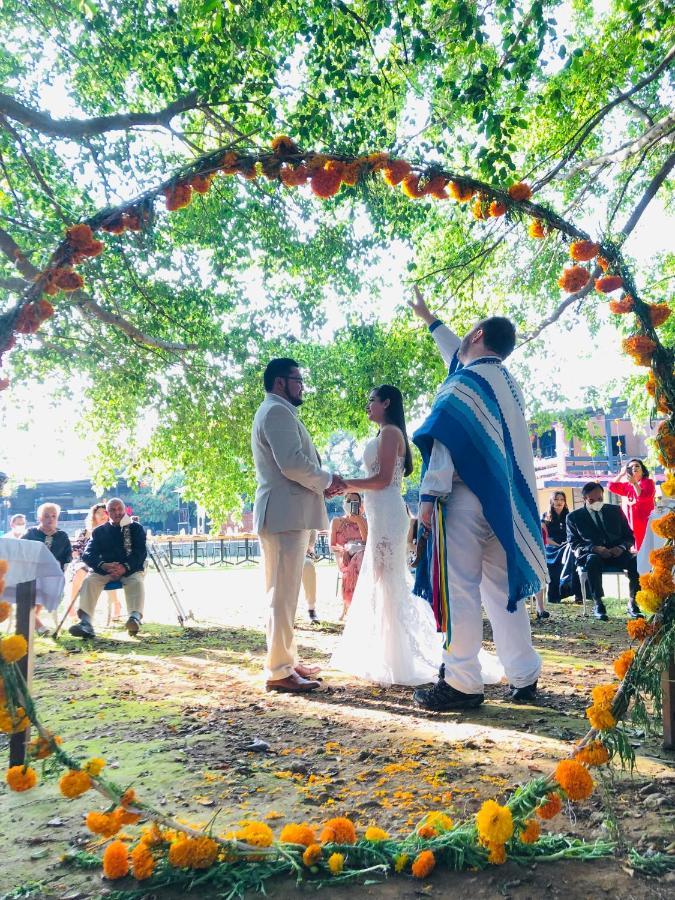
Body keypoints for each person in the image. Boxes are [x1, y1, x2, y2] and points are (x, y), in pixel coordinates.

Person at [408, 286, 546, 710]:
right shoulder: (505, 382)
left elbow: (447, 441)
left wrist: (429, 498)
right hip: (504, 504)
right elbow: (459, 352)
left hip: (463, 499)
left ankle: (463, 682)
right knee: (503, 590)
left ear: (479, 333)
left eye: (468, 331)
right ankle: (524, 675)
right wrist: (430, 319)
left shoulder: (465, 384)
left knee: (461, 589)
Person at [330, 385, 443, 686]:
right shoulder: (385, 434)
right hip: (379, 512)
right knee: (381, 578)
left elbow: (381, 479)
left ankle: (398, 656)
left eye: (371, 401)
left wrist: (346, 483)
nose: (367, 406)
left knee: (387, 578)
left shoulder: (391, 433)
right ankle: (384, 649)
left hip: (388, 511)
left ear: (386, 403)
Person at [252, 357, 346, 693]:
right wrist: (328, 480)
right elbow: (291, 463)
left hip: (287, 514)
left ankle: (285, 661)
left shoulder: (279, 412)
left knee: (285, 593)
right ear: (280, 382)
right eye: (297, 379)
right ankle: (278, 671)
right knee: (282, 594)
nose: (301, 385)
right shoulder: (276, 412)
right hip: (283, 514)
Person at [69, 498, 147, 639]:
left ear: (124, 510)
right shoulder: (99, 531)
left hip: (130, 568)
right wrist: (102, 565)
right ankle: (86, 623)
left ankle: (134, 619)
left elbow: (140, 552)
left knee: (136, 581)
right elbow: (88, 553)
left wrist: (125, 567)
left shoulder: (136, 528)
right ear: (107, 512)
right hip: (105, 570)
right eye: (112, 510)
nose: (117, 512)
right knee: (89, 581)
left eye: (119, 509)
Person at [566, 482, 641, 620]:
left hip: (616, 552)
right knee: (592, 560)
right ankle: (598, 603)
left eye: (599, 499)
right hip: (592, 554)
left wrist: (621, 547)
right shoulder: (574, 517)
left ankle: (633, 602)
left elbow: (629, 536)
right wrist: (594, 548)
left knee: (635, 560)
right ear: (584, 499)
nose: (596, 502)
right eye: (592, 500)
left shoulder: (615, 510)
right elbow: (574, 543)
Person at [22, 503, 73, 634]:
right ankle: (39, 626)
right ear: (39, 518)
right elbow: (20, 553)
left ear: (57, 518)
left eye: (53, 516)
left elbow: (67, 560)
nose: (50, 519)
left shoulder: (63, 536)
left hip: (52, 578)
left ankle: (35, 623)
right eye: (46, 516)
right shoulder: (30, 533)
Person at [68, 503, 122, 623]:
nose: (102, 515)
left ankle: (116, 604)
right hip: (84, 561)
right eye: (99, 513)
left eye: (105, 512)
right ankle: (71, 606)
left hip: (102, 562)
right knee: (81, 570)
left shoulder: (112, 530)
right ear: (94, 516)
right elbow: (76, 549)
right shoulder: (86, 531)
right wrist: (76, 555)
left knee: (106, 569)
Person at [329, 492, 367, 618]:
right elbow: (332, 545)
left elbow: (367, 541)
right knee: (362, 561)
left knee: (362, 557)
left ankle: (357, 605)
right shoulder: (336, 521)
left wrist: (360, 521)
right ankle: (354, 604)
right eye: (349, 500)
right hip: (343, 556)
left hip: (362, 556)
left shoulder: (364, 521)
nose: (352, 504)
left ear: (360, 505)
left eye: (356, 501)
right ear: (344, 502)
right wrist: (343, 551)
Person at [608, 459, 656, 551]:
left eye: (637, 466)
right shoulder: (627, 485)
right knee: (634, 549)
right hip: (630, 523)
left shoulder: (648, 482)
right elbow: (611, 486)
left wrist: (634, 483)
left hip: (645, 522)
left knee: (645, 549)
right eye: (631, 467)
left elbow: (642, 497)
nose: (634, 467)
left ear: (643, 471)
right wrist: (621, 474)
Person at [541, 491, 569, 604]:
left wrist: (566, 544)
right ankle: (553, 596)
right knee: (555, 562)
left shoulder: (569, 516)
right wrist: (558, 545)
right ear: (552, 501)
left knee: (569, 554)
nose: (559, 502)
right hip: (551, 547)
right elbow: (544, 537)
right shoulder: (545, 517)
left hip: (566, 545)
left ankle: (569, 591)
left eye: (562, 499)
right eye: (557, 499)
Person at [302, 530, 320, 623]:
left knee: (308, 564)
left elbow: (310, 547)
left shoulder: (309, 524)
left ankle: (311, 608)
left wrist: (310, 552)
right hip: (282, 552)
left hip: (302, 554)